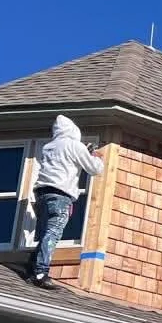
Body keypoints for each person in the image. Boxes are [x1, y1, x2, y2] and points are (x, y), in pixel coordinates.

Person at [29, 115, 104, 290]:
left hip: (41, 194)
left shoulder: (49, 146)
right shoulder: (74, 145)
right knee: (53, 232)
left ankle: (33, 266)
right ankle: (40, 272)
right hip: (60, 195)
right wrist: (95, 155)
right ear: (73, 131)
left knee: (44, 232)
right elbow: (94, 169)